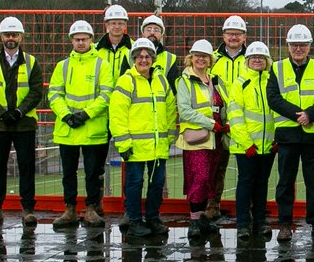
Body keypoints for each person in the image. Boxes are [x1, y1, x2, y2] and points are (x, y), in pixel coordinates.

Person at [268, 23, 314, 242]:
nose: (299, 48)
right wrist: (298, 114)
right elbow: (273, 98)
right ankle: (285, 224)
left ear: (309, 47)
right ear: (288, 46)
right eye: (295, 44)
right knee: (285, 182)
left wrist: (311, 115)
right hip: (287, 136)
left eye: (303, 45)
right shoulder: (277, 68)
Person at [0, 16, 44, 228]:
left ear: (21, 37)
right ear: (1, 37)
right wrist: (1, 113)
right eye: (7, 35)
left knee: (27, 167)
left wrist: (19, 111)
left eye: (15, 35)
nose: (11, 38)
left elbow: (36, 92)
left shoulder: (32, 62)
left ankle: (28, 209)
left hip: (24, 124)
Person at [49, 20, 113, 229]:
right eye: (77, 39)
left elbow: (106, 95)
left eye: (84, 39)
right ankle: (70, 209)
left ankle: (92, 209)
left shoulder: (102, 65)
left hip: (92, 128)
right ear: (71, 41)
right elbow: (54, 94)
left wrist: (85, 114)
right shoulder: (63, 66)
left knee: (93, 172)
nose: (81, 43)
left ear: (91, 40)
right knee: (68, 172)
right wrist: (66, 115)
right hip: (68, 129)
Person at [109, 37, 174, 241]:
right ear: (133, 59)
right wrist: (124, 142)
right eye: (139, 56)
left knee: (156, 184)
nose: (144, 60)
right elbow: (117, 114)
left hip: (157, 145)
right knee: (135, 184)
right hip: (135, 146)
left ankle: (153, 217)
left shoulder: (161, 80)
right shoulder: (126, 81)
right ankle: (135, 221)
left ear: (153, 59)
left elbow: (171, 108)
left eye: (147, 56)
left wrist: (170, 133)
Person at [175, 39, 227, 243]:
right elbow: (185, 111)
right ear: (191, 58)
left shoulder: (215, 80)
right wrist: (209, 123)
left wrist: (225, 121)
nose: (201, 59)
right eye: (197, 55)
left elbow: (223, 104)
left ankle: (203, 216)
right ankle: (194, 220)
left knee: (210, 179)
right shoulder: (185, 81)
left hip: (215, 138)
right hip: (197, 138)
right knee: (200, 178)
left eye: (205, 56)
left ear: (210, 59)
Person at [226, 41, 276, 248]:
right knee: (246, 183)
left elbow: (277, 112)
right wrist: (246, 143)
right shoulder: (240, 83)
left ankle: (260, 221)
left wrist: (276, 139)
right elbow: (235, 115)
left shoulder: (273, 81)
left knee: (262, 183)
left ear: (267, 61)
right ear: (247, 61)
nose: (257, 60)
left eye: (261, 57)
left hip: (268, 145)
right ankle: (243, 224)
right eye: (253, 57)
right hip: (246, 146)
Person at [205, 15, 252, 220]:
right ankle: (212, 205)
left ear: (244, 37)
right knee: (217, 166)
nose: (234, 37)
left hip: (246, 120)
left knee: (248, 169)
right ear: (223, 35)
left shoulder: (253, 57)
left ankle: (248, 208)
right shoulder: (212, 59)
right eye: (230, 33)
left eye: (238, 34)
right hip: (220, 122)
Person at [95, 4, 134, 75]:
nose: (117, 27)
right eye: (113, 23)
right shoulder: (95, 49)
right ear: (106, 25)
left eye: (120, 23)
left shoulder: (134, 48)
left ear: (125, 25)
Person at [140, 14, 180, 82]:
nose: (152, 32)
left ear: (161, 35)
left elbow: (173, 87)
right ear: (143, 33)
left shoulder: (170, 58)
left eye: (156, 30)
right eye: (148, 29)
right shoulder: (132, 54)